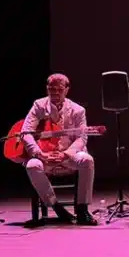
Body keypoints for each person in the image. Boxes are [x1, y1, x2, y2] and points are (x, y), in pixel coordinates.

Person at [21, 73, 97, 225]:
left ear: (67, 90)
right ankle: (55, 206)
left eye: (59, 89)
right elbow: (25, 133)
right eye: (51, 89)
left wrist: (65, 154)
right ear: (47, 88)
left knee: (87, 160)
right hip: (45, 155)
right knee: (32, 165)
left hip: (68, 155)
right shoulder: (39, 106)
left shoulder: (78, 110)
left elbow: (82, 138)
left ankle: (82, 209)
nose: (55, 93)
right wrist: (39, 154)